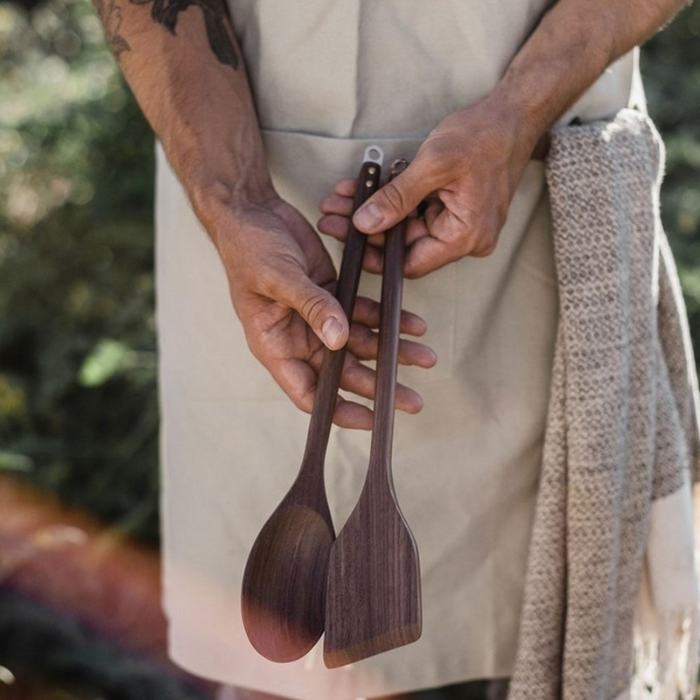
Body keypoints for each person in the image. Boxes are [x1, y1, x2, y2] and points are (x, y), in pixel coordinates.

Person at [93, 0, 691, 698]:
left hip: (535, 172)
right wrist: (233, 198)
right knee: (274, 674)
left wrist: (518, 109)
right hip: (244, 192)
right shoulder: (235, 200)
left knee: (544, 624)